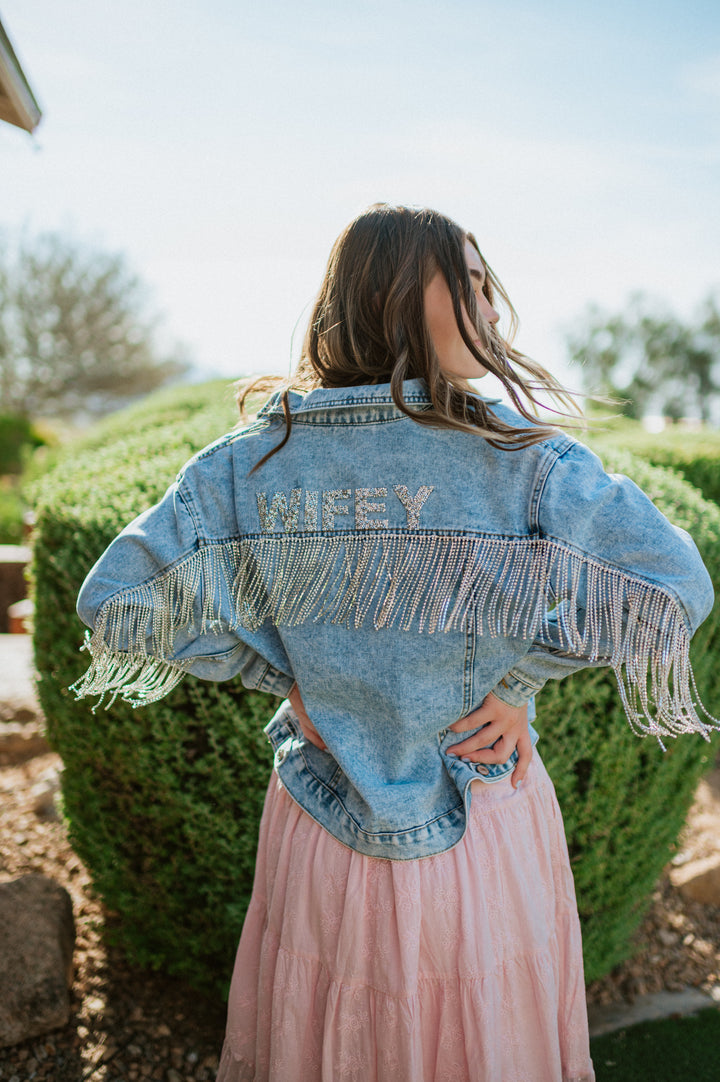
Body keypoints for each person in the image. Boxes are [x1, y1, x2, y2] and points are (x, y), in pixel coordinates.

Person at [74, 204, 716, 1082]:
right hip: (477, 813)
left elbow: (113, 600)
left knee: (324, 1035)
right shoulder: (523, 457)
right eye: (472, 280)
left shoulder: (252, 458)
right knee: (481, 1041)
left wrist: (279, 677)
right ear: (397, 296)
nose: (495, 305)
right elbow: (676, 586)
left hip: (315, 815)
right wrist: (524, 678)